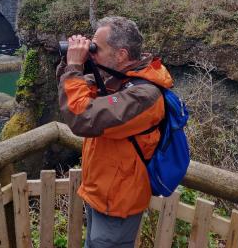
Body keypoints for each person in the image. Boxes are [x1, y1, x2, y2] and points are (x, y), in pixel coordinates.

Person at [56, 16, 173, 248]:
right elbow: (72, 92)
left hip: (118, 202)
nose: (92, 52)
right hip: (102, 193)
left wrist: (75, 66)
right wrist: (69, 64)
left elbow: (82, 117)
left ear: (121, 54)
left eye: (96, 48)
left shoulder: (144, 96)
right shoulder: (117, 78)